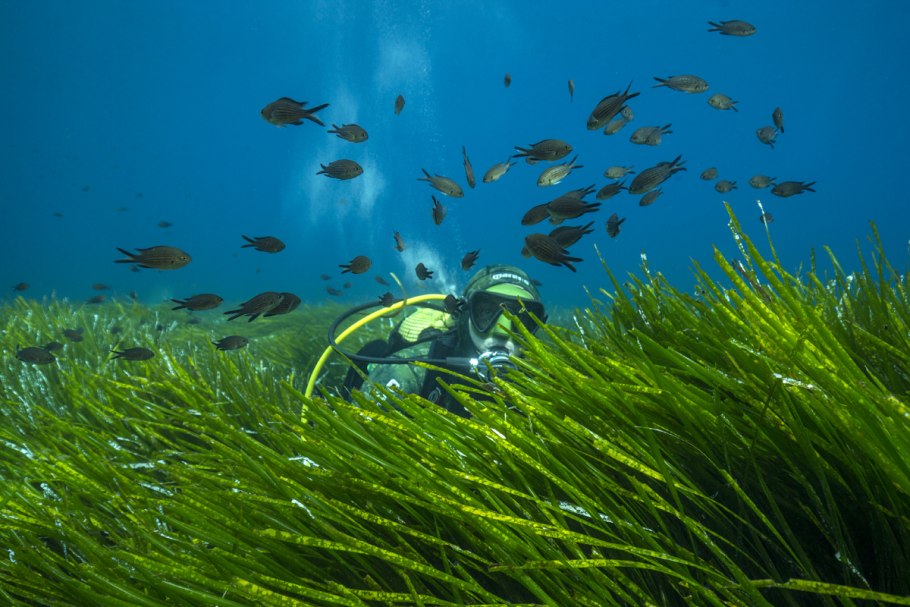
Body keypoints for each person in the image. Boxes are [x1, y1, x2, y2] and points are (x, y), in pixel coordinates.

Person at [340, 264, 546, 416]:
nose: (502, 331)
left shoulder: (541, 383)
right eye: (486, 312)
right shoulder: (413, 368)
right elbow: (354, 430)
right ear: (466, 314)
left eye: (521, 319)